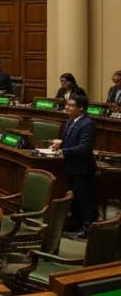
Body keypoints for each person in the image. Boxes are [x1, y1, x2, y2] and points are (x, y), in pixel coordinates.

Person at [51, 93, 98, 237]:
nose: (67, 107)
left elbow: (84, 147)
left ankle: (89, 228)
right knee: (74, 198)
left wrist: (63, 151)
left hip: (83, 168)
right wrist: (61, 143)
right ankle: (76, 223)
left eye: (71, 105)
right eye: (67, 104)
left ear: (81, 108)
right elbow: (70, 141)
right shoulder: (71, 121)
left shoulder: (87, 124)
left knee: (85, 200)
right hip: (71, 166)